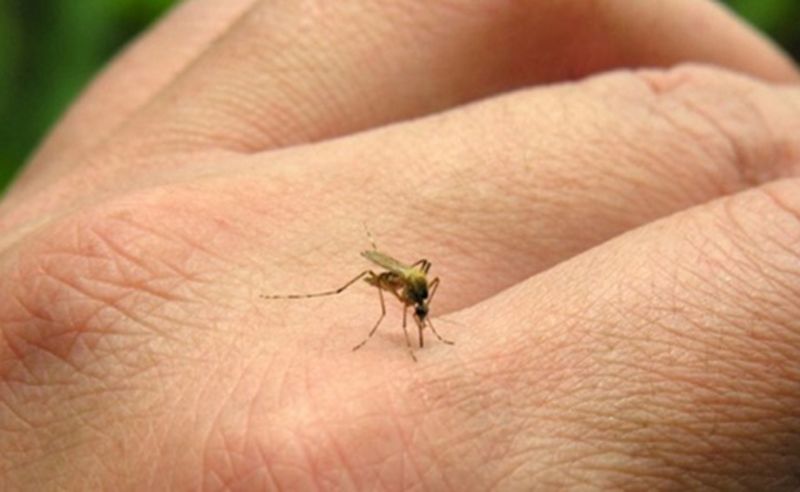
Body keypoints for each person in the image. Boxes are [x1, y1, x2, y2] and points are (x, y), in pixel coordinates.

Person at [1, 0, 799, 489]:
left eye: (419, 299)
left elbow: (421, 283)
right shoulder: (393, 288)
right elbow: (395, 279)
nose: (419, 300)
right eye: (418, 298)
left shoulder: (419, 289)